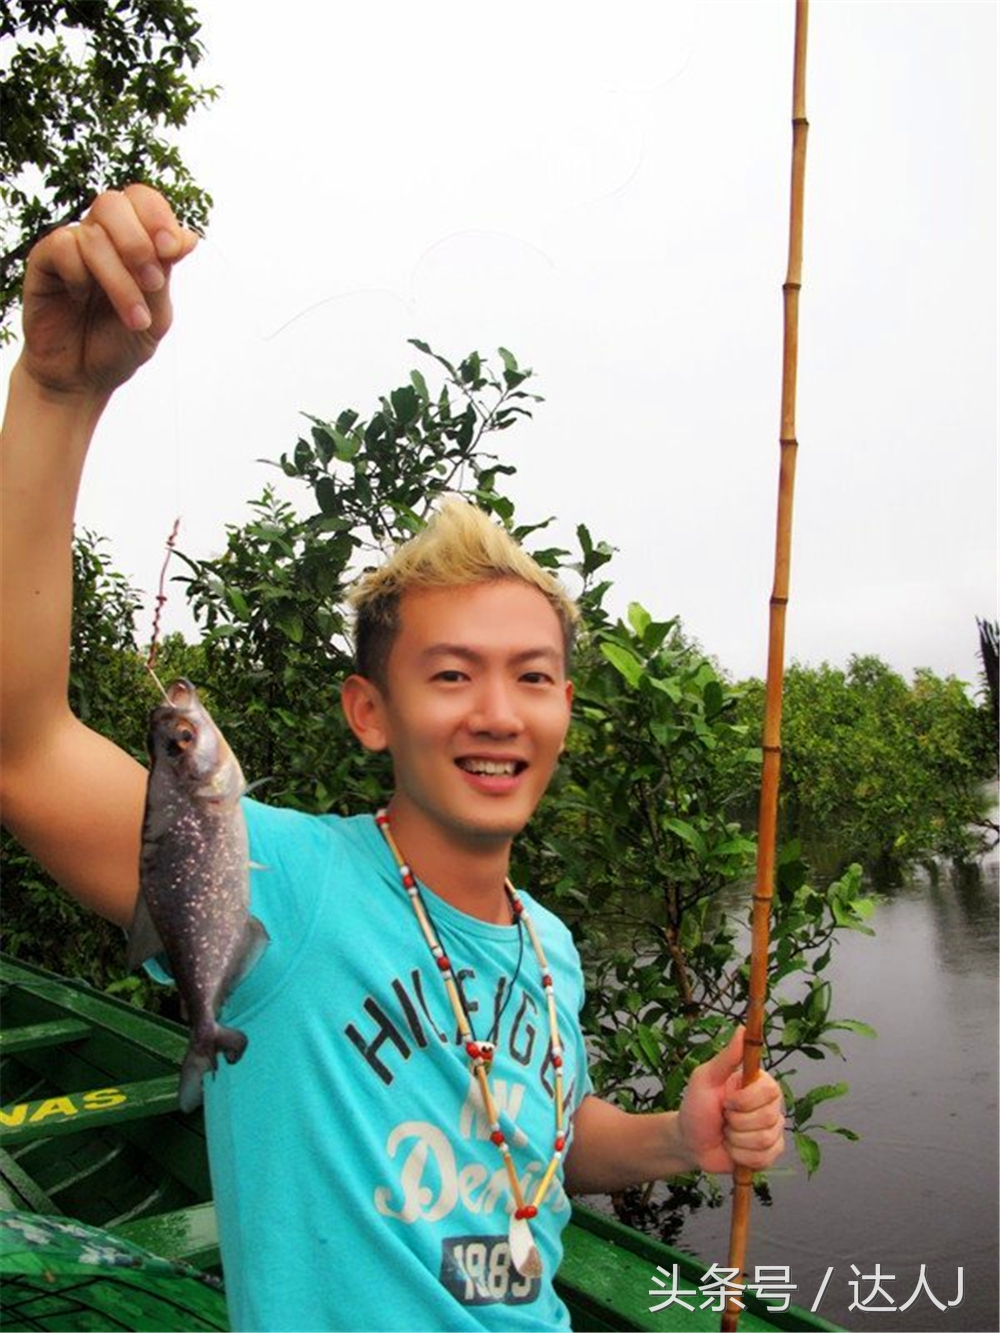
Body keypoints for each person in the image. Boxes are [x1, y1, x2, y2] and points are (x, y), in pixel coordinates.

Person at [0, 186, 785, 1333]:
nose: (498, 713)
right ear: (369, 712)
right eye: (451, 674)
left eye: (531, 677)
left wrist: (679, 1135)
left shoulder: (550, 949)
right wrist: (57, 394)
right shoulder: (277, 882)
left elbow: (545, 1139)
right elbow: (24, 747)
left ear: (564, 709)